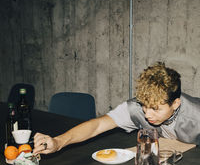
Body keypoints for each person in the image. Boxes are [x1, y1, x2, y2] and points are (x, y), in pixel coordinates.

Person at [33, 62, 200, 155]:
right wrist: (58, 142)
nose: (147, 114)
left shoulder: (196, 117)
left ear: (176, 103)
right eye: (144, 105)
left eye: (155, 109)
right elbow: (97, 125)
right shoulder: (136, 108)